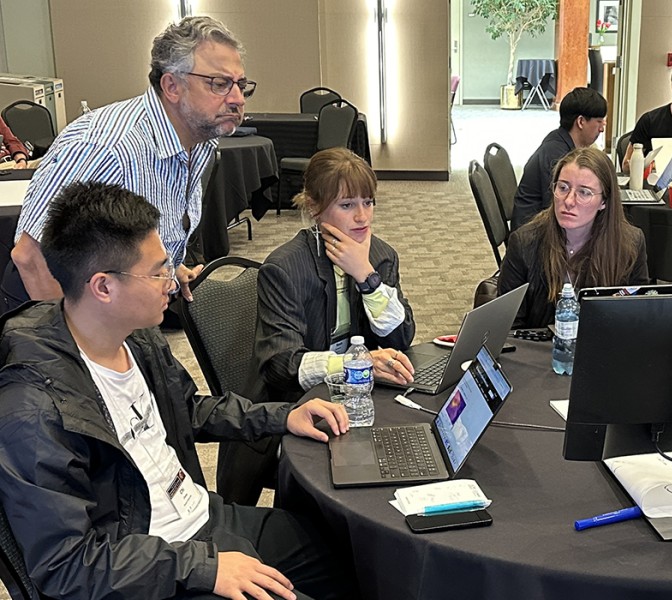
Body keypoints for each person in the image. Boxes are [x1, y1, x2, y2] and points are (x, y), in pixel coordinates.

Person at [0, 181, 359, 600]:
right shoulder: (32, 408)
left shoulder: (136, 335)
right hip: (147, 569)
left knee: (357, 555)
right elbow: (67, 565)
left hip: (201, 520)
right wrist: (205, 568)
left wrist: (282, 416)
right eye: (158, 271)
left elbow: (186, 409)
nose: (173, 282)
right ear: (103, 287)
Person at [3, 15, 253, 311]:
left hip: (118, 309)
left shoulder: (200, 141)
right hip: (50, 317)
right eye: (220, 84)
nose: (238, 99)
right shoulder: (103, 147)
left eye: (241, 85)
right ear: (172, 86)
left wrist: (169, 269)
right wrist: (78, 351)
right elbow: (31, 259)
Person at [218, 147, 416, 505]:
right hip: (292, 409)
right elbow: (283, 366)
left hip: (355, 399)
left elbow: (401, 338)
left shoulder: (380, 255)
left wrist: (366, 276)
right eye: (346, 205)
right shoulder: (285, 267)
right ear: (314, 206)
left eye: (368, 202)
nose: (362, 217)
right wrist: (359, 363)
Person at [498, 147, 649, 328]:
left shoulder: (630, 243)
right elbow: (508, 327)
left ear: (604, 202)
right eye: (563, 188)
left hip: (603, 349)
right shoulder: (524, 243)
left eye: (584, 192)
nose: (569, 201)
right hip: (540, 351)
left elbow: (639, 317)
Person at [510, 87, 607, 231]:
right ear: (581, 122)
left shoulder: (558, 140)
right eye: (599, 121)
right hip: (534, 235)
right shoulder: (557, 157)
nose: (602, 129)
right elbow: (560, 208)